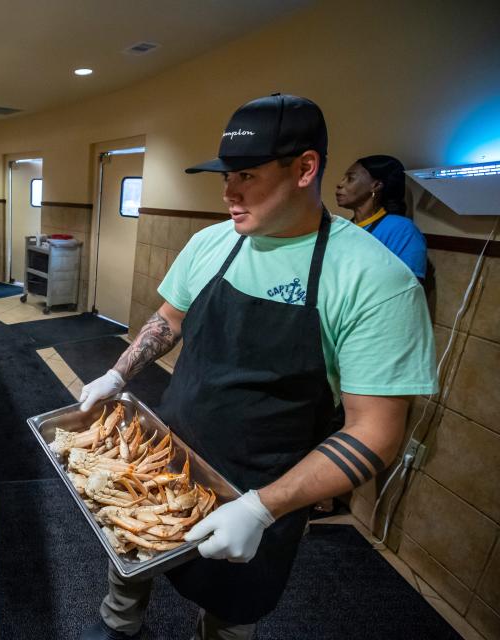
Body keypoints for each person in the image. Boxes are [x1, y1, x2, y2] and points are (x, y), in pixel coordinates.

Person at [77, 94, 437, 640]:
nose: (228, 192)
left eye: (245, 174)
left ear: (305, 169)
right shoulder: (211, 243)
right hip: (168, 450)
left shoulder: (374, 279)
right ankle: (119, 625)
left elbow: (377, 432)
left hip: (267, 485)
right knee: (127, 545)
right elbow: (168, 321)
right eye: (225, 176)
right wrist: (118, 374)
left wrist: (262, 511)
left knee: (234, 608)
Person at [336, 154, 427, 281]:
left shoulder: (403, 230)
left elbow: (408, 289)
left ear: (376, 185)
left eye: (350, 179)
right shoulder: (341, 228)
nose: (340, 184)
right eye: (343, 178)